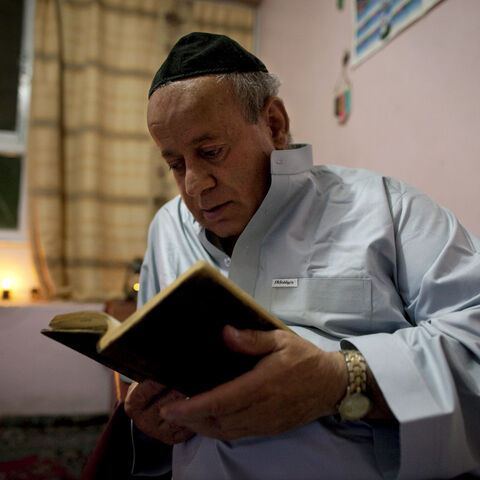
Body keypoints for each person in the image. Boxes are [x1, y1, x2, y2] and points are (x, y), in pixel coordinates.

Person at [124, 32, 480, 479]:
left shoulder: (386, 208)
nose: (193, 184)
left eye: (211, 152)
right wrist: (153, 411)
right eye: (175, 164)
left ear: (273, 123)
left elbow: (475, 333)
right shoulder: (168, 229)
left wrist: (342, 379)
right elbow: (152, 362)